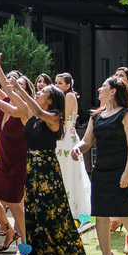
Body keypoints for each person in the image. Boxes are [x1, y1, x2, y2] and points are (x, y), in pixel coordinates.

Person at [6, 75, 85, 255]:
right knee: (34, 212)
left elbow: (39, 111)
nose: (38, 92)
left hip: (47, 170)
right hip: (32, 168)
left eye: (42, 93)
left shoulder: (54, 117)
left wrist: (20, 89)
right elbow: (10, 97)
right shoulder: (32, 118)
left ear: (50, 100)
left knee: (49, 213)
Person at [74, 76, 128, 255]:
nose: (99, 89)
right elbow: (87, 141)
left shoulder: (126, 115)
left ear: (113, 91)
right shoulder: (96, 116)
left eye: (103, 86)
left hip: (121, 170)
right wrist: (78, 147)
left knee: (124, 211)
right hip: (100, 171)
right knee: (101, 215)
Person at [0, 55, 30, 252]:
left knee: (14, 203)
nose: (12, 87)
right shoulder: (4, 105)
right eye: (11, 84)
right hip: (2, 162)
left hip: (18, 163)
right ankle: (9, 231)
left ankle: (26, 242)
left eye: (19, 85)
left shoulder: (25, 110)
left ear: (26, 92)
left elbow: (0, 95)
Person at [53, 72, 91, 222]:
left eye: (60, 83)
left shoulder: (69, 96)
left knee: (68, 170)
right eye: (56, 83)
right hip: (62, 136)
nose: (57, 86)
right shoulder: (61, 97)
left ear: (68, 85)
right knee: (62, 170)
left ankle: (71, 207)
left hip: (66, 136)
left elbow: (64, 115)